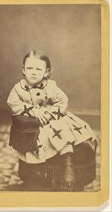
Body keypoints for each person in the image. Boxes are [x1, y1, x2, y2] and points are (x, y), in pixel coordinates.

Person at [7, 50, 97, 191]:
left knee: (63, 128)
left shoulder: (51, 86)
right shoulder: (18, 89)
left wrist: (49, 114)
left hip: (53, 117)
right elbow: (13, 104)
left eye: (38, 69)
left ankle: (68, 164)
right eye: (30, 68)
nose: (34, 72)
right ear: (23, 70)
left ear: (46, 72)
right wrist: (34, 112)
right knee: (41, 136)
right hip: (33, 122)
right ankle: (37, 175)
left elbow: (63, 101)